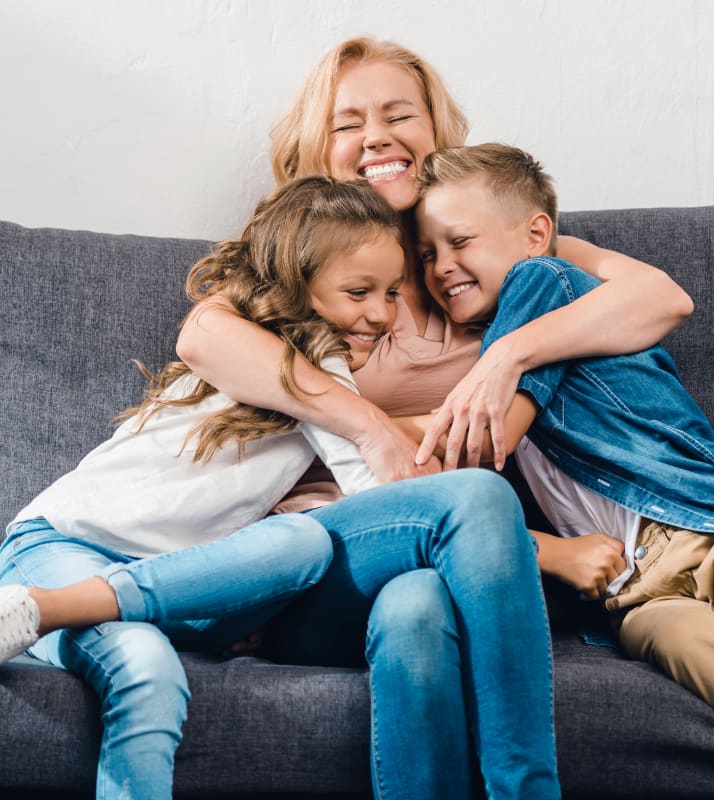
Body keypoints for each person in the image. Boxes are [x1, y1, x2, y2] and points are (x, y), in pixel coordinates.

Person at [173, 36, 694, 799]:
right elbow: (203, 335)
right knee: (435, 556)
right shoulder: (300, 263)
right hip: (335, 557)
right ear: (319, 147)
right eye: (348, 122)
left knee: (418, 610)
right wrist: (370, 426)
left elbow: (658, 299)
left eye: (398, 114)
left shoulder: (483, 255)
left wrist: (505, 358)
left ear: (434, 132)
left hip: (456, 567)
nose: (376, 135)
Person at [0, 174, 562, 799]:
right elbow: (216, 342)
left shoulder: (333, 381)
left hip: (192, 584)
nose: (380, 313)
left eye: (392, 293)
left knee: (328, 554)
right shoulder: (259, 349)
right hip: (61, 547)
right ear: (299, 282)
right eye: (359, 291)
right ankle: (36, 606)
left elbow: (380, 493)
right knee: (148, 669)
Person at [412, 140, 714, 781]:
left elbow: (490, 438)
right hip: (638, 593)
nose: (441, 266)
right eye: (427, 254)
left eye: (459, 242)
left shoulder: (544, 282)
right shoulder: (494, 341)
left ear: (537, 234)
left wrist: (366, 434)